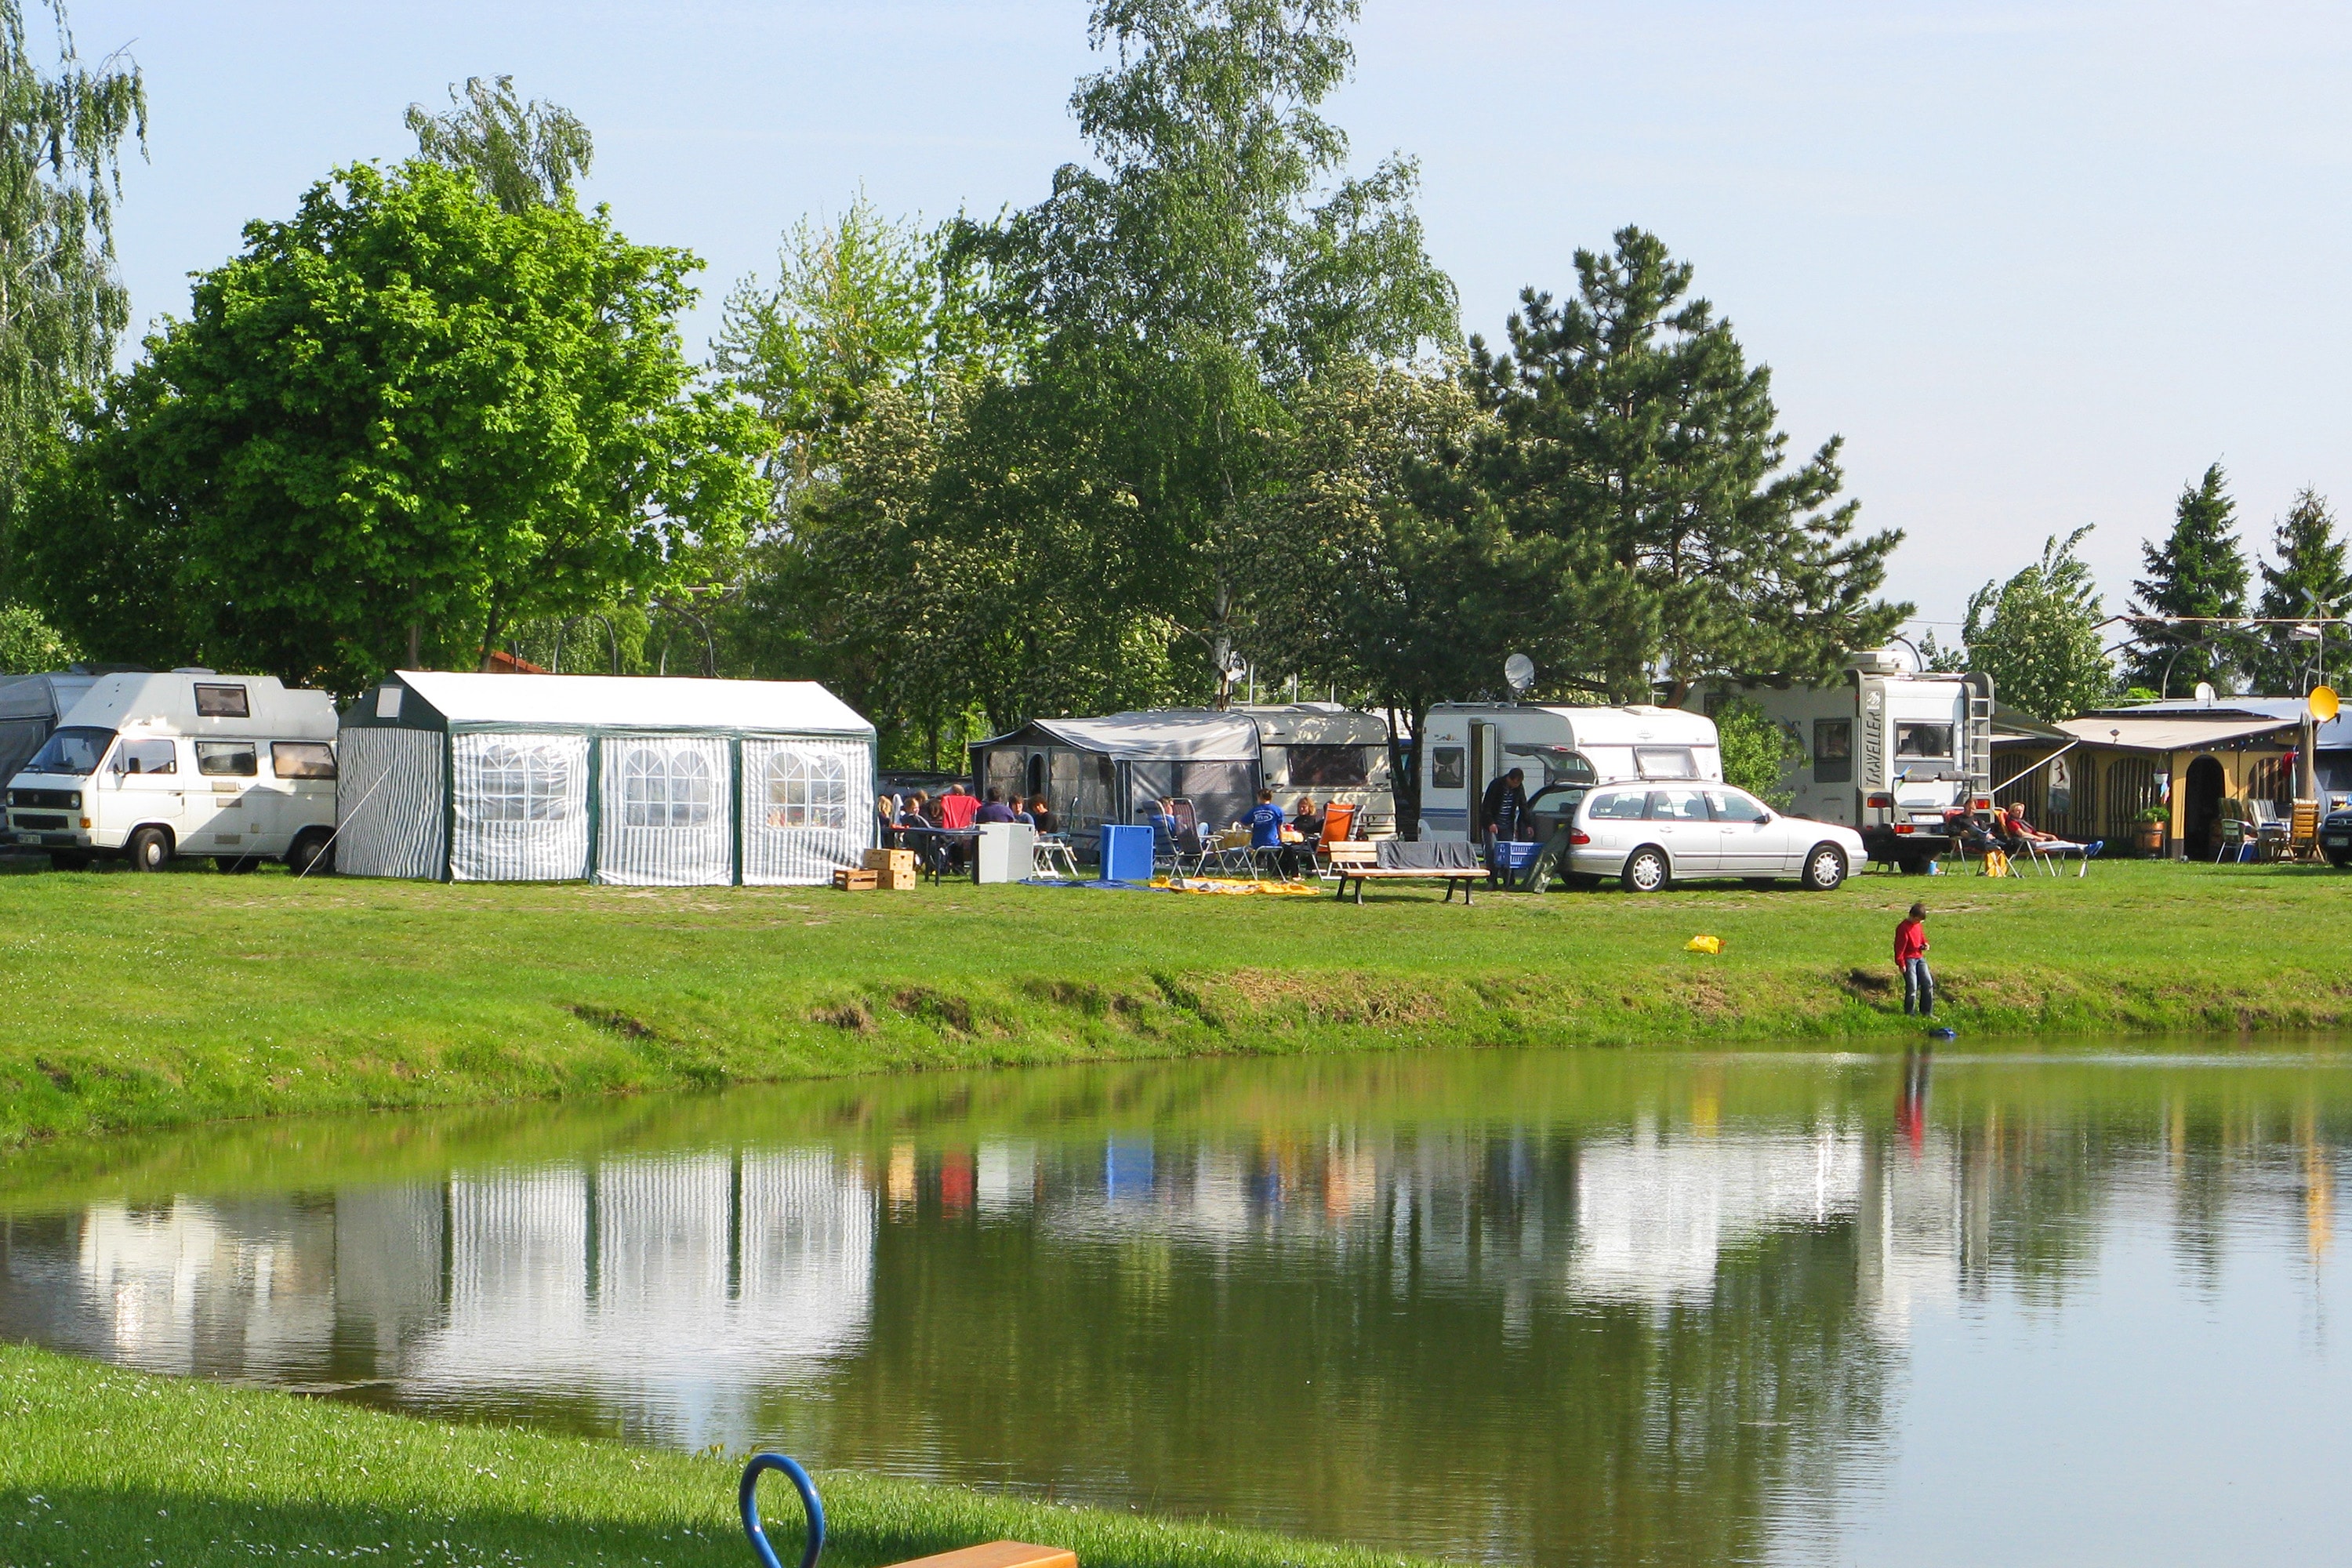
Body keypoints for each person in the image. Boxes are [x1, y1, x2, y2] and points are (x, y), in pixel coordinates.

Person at [1479, 767, 1531, 888]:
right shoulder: (1496, 785)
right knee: (1492, 852)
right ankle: (1492, 881)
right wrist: (1490, 823)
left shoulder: (1518, 788)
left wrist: (1528, 824)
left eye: (1518, 783)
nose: (1516, 785)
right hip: (1492, 825)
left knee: (1509, 853)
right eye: (1515, 782)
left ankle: (1509, 882)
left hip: (1507, 824)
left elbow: (1523, 806)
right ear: (1510, 779)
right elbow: (1486, 806)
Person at [1895, 902, 1933, 1018]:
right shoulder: (1903, 928)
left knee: (1928, 983)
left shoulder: (1918, 925)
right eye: (1918, 920)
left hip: (1919, 957)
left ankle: (1927, 1012)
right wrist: (1901, 963)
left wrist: (1925, 944)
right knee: (1913, 986)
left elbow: (1921, 937)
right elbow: (1899, 948)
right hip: (1908, 959)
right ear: (1913, 917)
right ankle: (1909, 1012)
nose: (1920, 923)